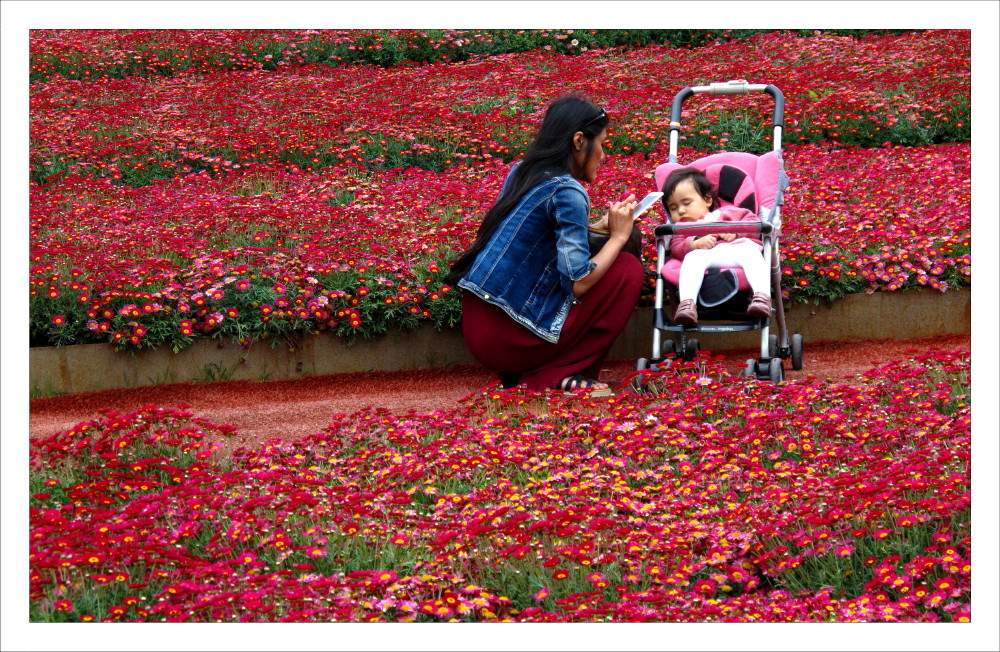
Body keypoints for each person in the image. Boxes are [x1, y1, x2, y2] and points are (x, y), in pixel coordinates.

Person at [444, 94, 644, 393]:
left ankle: (525, 372)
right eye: (602, 143)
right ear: (579, 141)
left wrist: (597, 228)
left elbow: (537, 238)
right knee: (627, 268)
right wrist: (618, 236)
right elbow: (578, 282)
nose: (603, 154)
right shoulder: (568, 191)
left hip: (479, 328)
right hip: (511, 338)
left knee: (614, 258)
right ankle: (553, 375)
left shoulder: (521, 172)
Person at [661, 167, 771, 325]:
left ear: (707, 199)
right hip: (708, 256)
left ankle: (761, 297)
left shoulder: (729, 213)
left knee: (753, 256)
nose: (681, 211)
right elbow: (676, 249)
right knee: (692, 259)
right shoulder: (682, 229)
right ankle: (687, 304)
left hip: (738, 250)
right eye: (673, 208)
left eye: (686, 203)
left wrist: (736, 233)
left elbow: (755, 225)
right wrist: (693, 244)